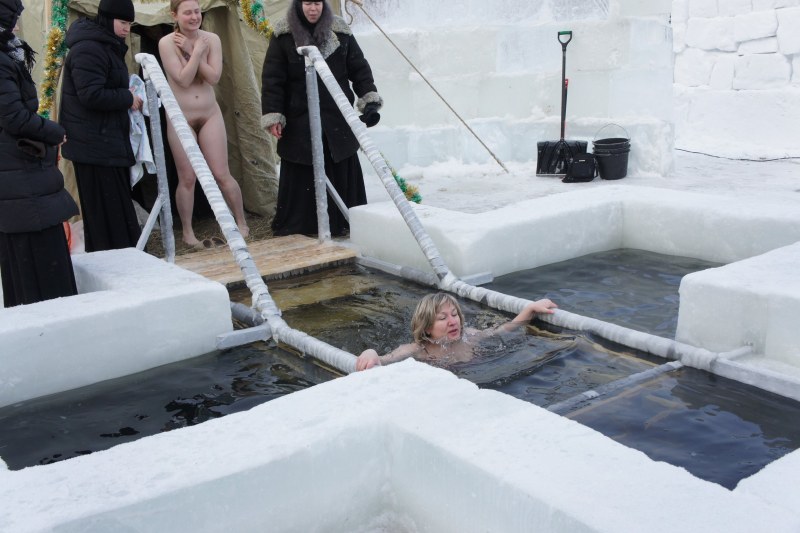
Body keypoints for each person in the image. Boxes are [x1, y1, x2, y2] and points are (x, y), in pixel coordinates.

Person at [261, 0, 382, 237]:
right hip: (299, 117)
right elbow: (273, 79)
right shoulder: (283, 34)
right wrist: (275, 115)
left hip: (337, 115)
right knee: (302, 166)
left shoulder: (340, 31)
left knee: (339, 161)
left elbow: (359, 69)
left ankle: (343, 223)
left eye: (317, 2)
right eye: (307, 3)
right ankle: (301, 226)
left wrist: (369, 101)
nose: (312, 8)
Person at [0, 0, 79, 307]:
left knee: (24, 254)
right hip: (17, 168)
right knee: (40, 255)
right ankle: (54, 324)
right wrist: (54, 131)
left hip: (15, 171)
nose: (19, 26)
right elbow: (14, 118)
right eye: (14, 20)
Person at [159, 0, 249, 249]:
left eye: (197, 11)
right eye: (187, 13)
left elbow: (214, 77)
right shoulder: (166, 43)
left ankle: (241, 223)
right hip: (180, 116)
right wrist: (196, 52)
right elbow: (184, 79)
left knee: (222, 173)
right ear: (175, 15)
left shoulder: (212, 39)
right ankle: (188, 233)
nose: (194, 17)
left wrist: (194, 48)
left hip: (209, 114)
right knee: (187, 177)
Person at [59, 0, 142, 253]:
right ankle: (116, 259)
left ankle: (123, 255)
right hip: (94, 143)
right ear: (107, 19)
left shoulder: (104, 46)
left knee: (112, 208)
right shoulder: (89, 49)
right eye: (122, 22)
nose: (127, 29)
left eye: (129, 24)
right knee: (105, 210)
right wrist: (127, 98)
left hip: (102, 140)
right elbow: (91, 94)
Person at [355, 293, 558, 371]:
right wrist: (371, 353)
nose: (453, 322)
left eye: (454, 314)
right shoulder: (417, 349)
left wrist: (529, 309)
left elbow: (503, 329)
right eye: (442, 318)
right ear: (426, 327)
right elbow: (385, 359)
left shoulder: (470, 335)